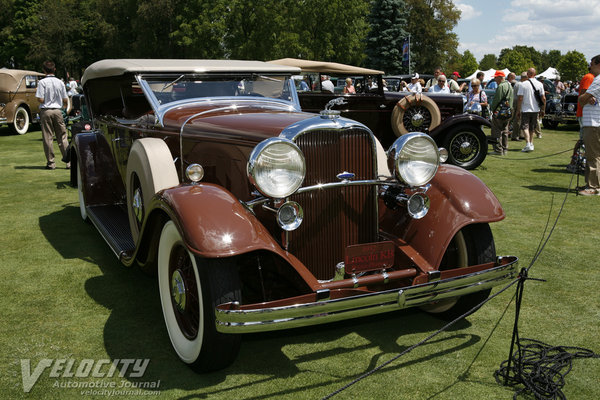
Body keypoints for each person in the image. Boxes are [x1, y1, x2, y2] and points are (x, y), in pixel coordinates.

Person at [36, 61, 69, 170]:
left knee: (48, 137)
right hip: (58, 110)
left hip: (46, 110)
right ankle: (69, 162)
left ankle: (51, 163)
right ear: (54, 69)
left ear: (44, 70)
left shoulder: (42, 83)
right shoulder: (60, 82)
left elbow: (40, 99)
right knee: (63, 137)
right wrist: (64, 109)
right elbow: (65, 99)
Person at [577, 54, 600, 196]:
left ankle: (593, 187)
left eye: (592, 64)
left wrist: (585, 97)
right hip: (596, 122)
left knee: (592, 155)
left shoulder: (597, 80)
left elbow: (581, 99)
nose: (590, 66)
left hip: (594, 123)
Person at [515, 67, 545, 152]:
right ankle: (531, 143)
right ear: (535, 75)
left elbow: (520, 98)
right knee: (532, 128)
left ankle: (528, 143)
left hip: (525, 109)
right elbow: (543, 98)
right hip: (536, 109)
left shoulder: (522, 84)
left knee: (525, 127)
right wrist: (543, 109)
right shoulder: (540, 84)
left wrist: (518, 110)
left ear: (527, 74)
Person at [489, 70, 514, 155]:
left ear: (500, 77)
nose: (495, 80)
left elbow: (497, 100)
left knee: (496, 131)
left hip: (499, 112)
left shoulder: (501, 86)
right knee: (505, 131)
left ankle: (498, 150)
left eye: (496, 78)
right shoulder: (510, 86)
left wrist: (492, 109)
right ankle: (505, 149)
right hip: (508, 112)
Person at [510, 72, 527, 141]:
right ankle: (515, 136)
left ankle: (520, 134)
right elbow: (520, 96)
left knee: (518, 119)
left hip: (516, 101)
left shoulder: (517, 84)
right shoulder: (520, 84)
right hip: (518, 102)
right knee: (517, 119)